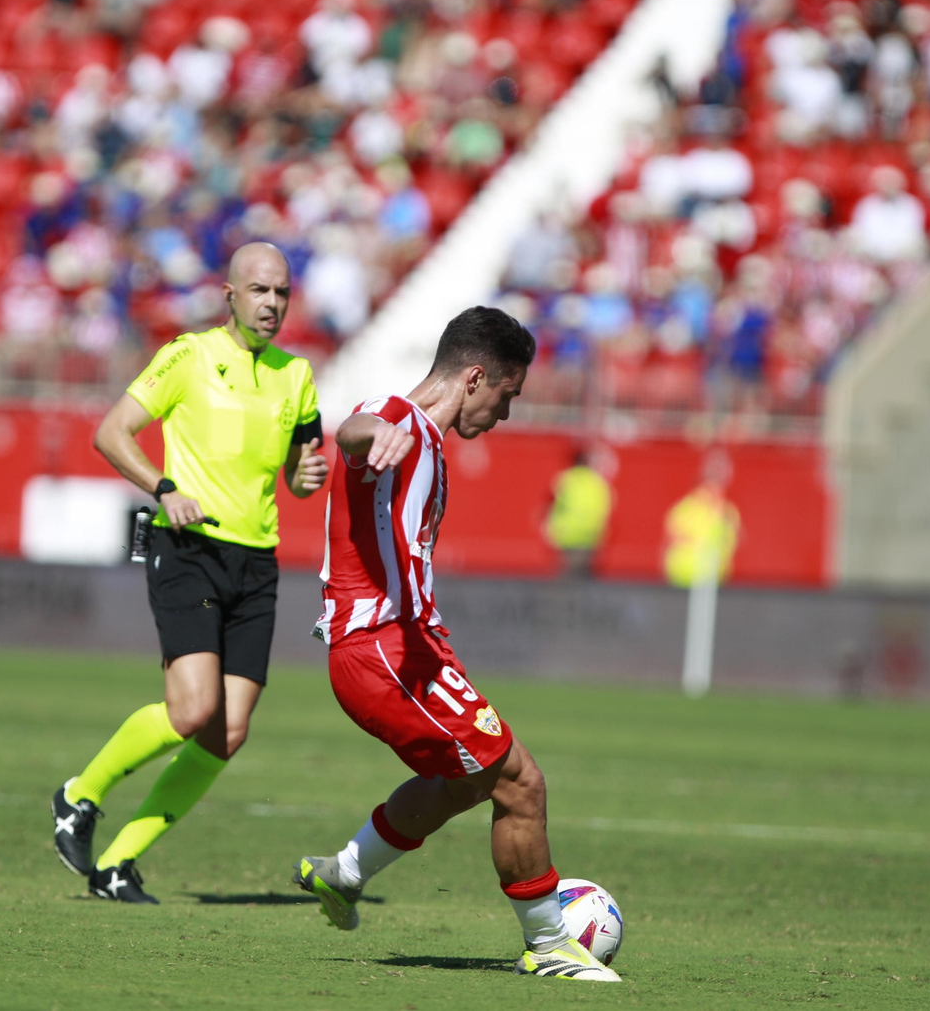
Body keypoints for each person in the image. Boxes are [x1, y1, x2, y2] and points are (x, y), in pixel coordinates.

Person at [292, 307, 622, 983]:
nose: (504, 415)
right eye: (507, 395)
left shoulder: (429, 445)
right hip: (381, 650)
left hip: (404, 651)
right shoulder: (402, 420)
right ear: (475, 378)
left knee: (464, 782)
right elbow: (356, 430)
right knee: (520, 782)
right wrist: (373, 433)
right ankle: (551, 944)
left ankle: (346, 872)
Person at [51, 242, 327, 903]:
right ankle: (79, 794)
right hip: (189, 548)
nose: (271, 304)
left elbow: (297, 472)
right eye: (259, 291)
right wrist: (164, 486)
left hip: (257, 563)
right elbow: (112, 432)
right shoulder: (189, 356)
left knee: (227, 731)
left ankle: (117, 864)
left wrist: (305, 477)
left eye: (281, 293)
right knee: (193, 709)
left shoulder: (297, 375)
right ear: (229, 294)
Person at [663, 449, 739, 588]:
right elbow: (670, 544)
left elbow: (730, 545)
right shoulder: (685, 509)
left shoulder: (729, 514)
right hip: (684, 579)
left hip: (713, 582)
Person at [544, 444, 615, 576]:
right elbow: (606, 508)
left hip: (567, 535)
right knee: (586, 576)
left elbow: (552, 504)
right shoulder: (597, 482)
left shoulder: (566, 479)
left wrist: (549, 527)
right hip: (590, 536)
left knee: (568, 577)